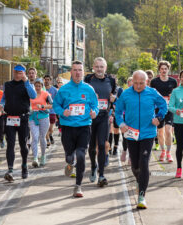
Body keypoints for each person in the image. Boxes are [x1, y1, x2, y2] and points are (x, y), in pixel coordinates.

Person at [115, 70, 167, 209]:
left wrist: (159, 118)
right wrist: (121, 124)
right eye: (136, 83)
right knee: (135, 165)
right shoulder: (126, 94)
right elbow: (118, 112)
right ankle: (139, 180)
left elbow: (163, 106)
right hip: (131, 134)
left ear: (147, 81)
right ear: (132, 81)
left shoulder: (152, 92)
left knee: (144, 162)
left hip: (148, 133)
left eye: (141, 83)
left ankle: (142, 196)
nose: (138, 86)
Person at [53, 60, 98, 197]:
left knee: (81, 155)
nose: (78, 73)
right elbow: (56, 105)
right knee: (69, 155)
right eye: (75, 70)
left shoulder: (89, 89)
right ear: (71, 72)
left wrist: (94, 112)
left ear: (83, 72)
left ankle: (78, 186)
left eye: (80, 70)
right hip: (67, 127)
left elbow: (95, 105)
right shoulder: (64, 89)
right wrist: (62, 112)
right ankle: (69, 162)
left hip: (84, 126)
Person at [0, 64, 37, 182]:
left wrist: (26, 82)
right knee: (10, 144)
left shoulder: (27, 85)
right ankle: (10, 170)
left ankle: (24, 166)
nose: (17, 74)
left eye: (20, 73)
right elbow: (4, 97)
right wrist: (2, 104)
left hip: (23, 118)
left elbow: (33, 95)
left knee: (23, 144)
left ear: (24, 74)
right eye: (15, 72)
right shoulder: (8, 85)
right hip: (10, 117)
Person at [84, 57, 116, 187]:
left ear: (105, 68)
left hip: (104, 116)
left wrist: (113, 101)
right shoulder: (88, 79)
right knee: (91, 147)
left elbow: (113, 97)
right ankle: (93, 166)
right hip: (91, 117)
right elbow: (82, 95)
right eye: (97, 66)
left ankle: (101, 174)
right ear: (93, 67)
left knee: (102, 145)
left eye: (101, 67)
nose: (99, 69)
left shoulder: (111, 80)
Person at [150, 61, 177, 162]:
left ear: (168, 70)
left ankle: (169, 153)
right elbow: (152, 96)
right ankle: (163, 151)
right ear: (159, 70)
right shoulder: (154, 82)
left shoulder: (173, 82)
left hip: (169, 109)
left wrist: (172, 97)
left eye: (165, 69)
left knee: (168, 131)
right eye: (162, 69)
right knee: (160, 132)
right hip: (158, 110)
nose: (164, 70)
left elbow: (176, 96)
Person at [29, 78, 53, 167]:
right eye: (36, 86)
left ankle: (43, 155)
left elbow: (52, 105)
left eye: (39, 86)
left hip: (44, 117)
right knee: (34, 137)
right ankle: (35, 157)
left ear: (42, 86)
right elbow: (27, 104)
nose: (37, 87)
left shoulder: (46, 94)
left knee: (42, 137)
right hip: (32, 117)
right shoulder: (31, 94)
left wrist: (42, 106)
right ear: (34, 86)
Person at [120, 76, 133, 163]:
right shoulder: (125, 94)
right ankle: (124, 151)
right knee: (125, 136)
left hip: (134, 118)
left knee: (132, 136)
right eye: (131, 82)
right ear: (128, 84)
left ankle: (131, 156)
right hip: (125, 117)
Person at [44, 75, 58, 146]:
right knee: (45, 127)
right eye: (45, 79)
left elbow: (57, 100)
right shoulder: (42, 89)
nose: (46, 81)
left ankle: (50, 135)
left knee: (51, 128)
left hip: (52, 111)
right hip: (44, 111)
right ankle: (47, 140)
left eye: (48, 79)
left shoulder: (54, 90)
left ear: (51, 80)